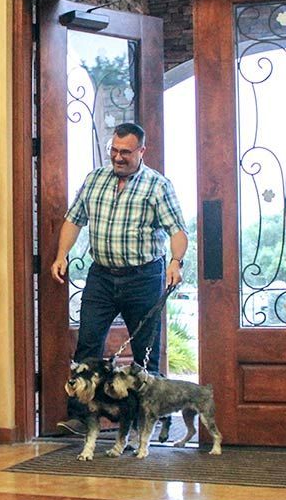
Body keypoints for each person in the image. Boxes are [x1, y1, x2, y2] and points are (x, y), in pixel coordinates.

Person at [50, 122, 188, 435]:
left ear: (142, 151)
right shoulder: (95, 180)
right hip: (101, 276)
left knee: (145, 354)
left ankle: (146, 420)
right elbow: (74, 220)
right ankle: (83, 417)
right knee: (87, 347)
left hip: (144, 277)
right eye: (114, 150)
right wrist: (62, 255)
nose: (118, 157)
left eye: (125, 152)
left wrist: (176, 261)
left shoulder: (157, 186)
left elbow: (177, 231)